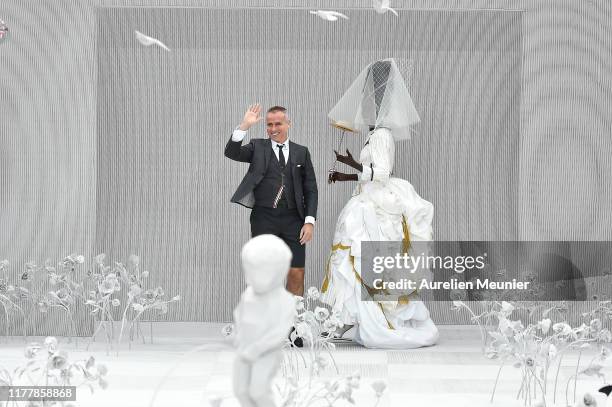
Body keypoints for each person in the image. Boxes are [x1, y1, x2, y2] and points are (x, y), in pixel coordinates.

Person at [320, 58, 439, 349]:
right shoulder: (373, 133)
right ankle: (351, 318)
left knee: (362, 255)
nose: (367, 106)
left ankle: (369, 319)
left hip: (376, 205)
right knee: (351, 256)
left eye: (374, 101)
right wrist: (350, 165)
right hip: (366, 200)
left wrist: (347, 172)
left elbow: (382, 174)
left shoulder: (382, 135)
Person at [225, 105, 318, 346]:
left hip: (293, 220)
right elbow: (231, 152)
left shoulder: (301, 152)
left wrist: (309, 221)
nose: (273, 129)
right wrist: (244, 126)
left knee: (296, 272)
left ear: (289, 124)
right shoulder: (257, 147)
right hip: (264, 217)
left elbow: (311, 189)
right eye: (269, 124)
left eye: (278, 124)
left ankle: (292, 328)